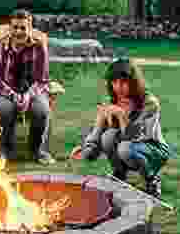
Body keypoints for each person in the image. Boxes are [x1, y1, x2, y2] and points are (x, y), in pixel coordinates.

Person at [70, 59, 172, 198]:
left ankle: (152, 180)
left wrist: (121, 116)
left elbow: (135, 137)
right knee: (108, 136)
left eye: (123, 82)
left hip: (153, 149)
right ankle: (120, 174)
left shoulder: (149, 103)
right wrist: (86, 150)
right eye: (114, 82)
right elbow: (97, 132)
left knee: (124, 148)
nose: (118, 87)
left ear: (133, 82)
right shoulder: (110, 102)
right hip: (128, 146)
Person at [0, 9, 56, 165]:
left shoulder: (39, 47)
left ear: (30, 29)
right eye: (15, 27)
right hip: (6, 91)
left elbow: (42, 80)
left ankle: (37, 150)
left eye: (23, 28)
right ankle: (6, 151)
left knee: (41, 109)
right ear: (9, 28)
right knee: (5, 108)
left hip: (33, 91)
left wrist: (27, 96)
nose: (18, 32)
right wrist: (14, 96)